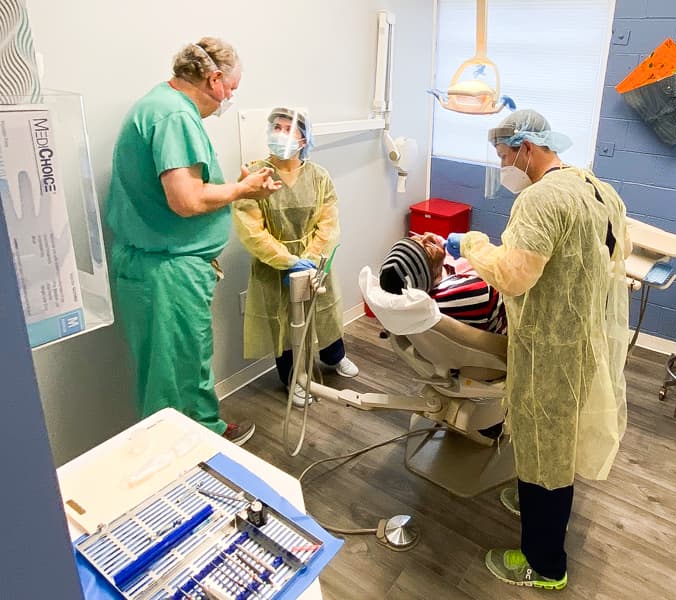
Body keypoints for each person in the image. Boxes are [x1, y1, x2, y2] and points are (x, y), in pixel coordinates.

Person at [446, 109, 631, 590]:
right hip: (582, 335)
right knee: (554, 440)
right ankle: (536, 502)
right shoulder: (594, 187)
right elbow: (613, 257)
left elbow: (513, 275)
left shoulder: (540, 200)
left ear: (526, 147)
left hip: (551, 347)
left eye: (503, 154)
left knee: (546, 446)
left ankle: (544, 564)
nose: (503, 164)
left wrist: (471, 246)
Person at [106, 37, 281, 446]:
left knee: (190, 362)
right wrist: (242, 190)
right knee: (169, 379)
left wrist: (234, 187)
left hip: (169, 264)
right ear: (215, 79)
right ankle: (175, 467)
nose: (230, 99)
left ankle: (208, 431)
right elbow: (186, 200)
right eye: (232, 90)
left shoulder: (160, 104)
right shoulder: (174, 117)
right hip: (165, 268)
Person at [233, 107, 358, 407]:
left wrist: (311, 260)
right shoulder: (255, 175)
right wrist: (287, 261)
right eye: (275, 127)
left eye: (288, 129)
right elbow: (251, 229)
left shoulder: (319, 177)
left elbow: (328, 224)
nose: (279, 133)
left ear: (304, 140)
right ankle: (293, 379)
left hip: (314, 263)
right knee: (284, 325)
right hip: (273, 268)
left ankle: (334, 357)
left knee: (323, 312)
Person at [378, 233, 506, 335]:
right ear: (427, 274)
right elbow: (510, 278)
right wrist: (473, 246)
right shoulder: (472, 293)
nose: (428, 235)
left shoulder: (424, 295)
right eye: (426, 246)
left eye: (419, 237)